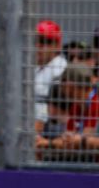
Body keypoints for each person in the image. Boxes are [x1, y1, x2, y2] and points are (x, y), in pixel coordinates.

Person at [46, 63, 99, 160]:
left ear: (69, 85)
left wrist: (48, 143)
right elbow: (68, 138)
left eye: (63, 83)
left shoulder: (95, 102)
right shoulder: (76, 106)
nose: (61, 88)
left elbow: (79, 141)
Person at [34, 19, 67, 149]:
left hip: (52, 126)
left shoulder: (60, 67)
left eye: (45, 41)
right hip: (30, 120)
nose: (39, 46)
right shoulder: (34, 67)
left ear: (57, 45)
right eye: (37, 41)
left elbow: (53, 108)